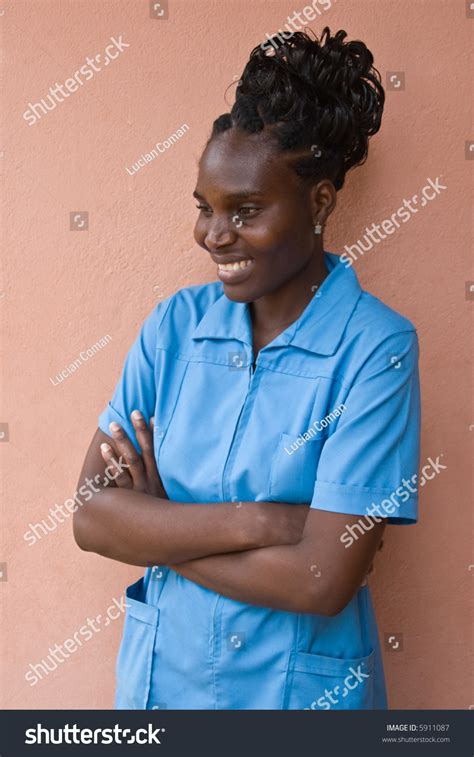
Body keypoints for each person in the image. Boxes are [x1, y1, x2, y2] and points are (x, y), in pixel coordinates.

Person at [74, 27, 420, 710]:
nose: (214, 235)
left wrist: (160, 524)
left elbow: (322, 578)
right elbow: (91, 518)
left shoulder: (377, 349)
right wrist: (265, 522)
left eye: (246, 210)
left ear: (319, 203)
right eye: (206, 208)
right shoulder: (172, 329)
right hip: (162, 692)